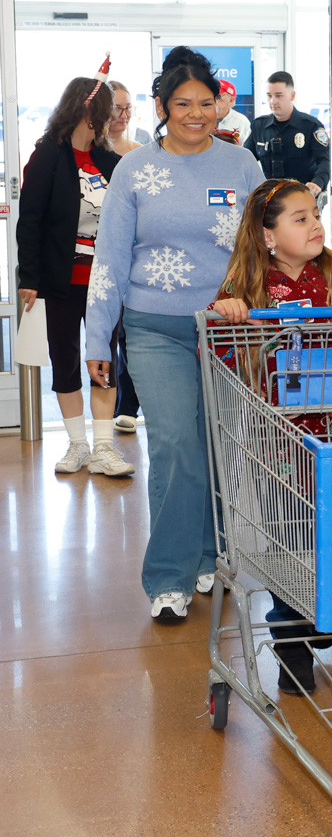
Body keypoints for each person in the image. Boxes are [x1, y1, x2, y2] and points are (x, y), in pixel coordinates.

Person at [85, 45, 264, 621]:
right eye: (182, 103)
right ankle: (169, 576)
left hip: (227, 331)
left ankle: (208, 554)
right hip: (154, 326)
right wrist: (97, 338)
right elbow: (109, 258)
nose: (195, 114)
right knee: (174, 446)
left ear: (221, 105)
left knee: (215, 449)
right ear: (162, 107)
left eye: (205, 103)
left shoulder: (243, 166)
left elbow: (262, 248)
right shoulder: (135, 169)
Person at [213, 178, 332, 693]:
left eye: (316, 213)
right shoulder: (247, 284)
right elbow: (223, 355)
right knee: (289, 535)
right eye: (300, 217)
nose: (315, 223)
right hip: (278, 437)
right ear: (267, 235)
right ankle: (290, 639)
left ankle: (319, 611)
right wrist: (229, 318)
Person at [17, 62, 134, 477]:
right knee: (64, 358)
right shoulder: (49, 153)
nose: (115, 118)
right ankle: (78, 445)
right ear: (90, 112)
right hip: (59, 280)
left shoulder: (109, 159)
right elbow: (29, 219)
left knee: (102, 357)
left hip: (104, 282)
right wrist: (27, 278)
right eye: (109, 110)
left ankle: (105, 447)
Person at [106, 80, 143, 433]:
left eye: (129, 107)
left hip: (137, 263)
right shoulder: (89, 156)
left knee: (130, 337)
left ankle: (128, 406)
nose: (124, 114)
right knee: (106, 337)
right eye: (117, 107)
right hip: (101, 260)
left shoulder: (139, 154)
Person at [244, 71, 330, 205]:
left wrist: (317, 183)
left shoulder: (311, 126)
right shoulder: (259, 126)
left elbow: (324, 161)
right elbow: (245, 159)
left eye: (278, 95)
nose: (273, 101)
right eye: (269, 96)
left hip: (302, 198)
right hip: (270, 201)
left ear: (292, 95)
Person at [108, 81, 143, 157]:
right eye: (117, 109)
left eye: (128, 108)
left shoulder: (140, 152)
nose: (124, 116)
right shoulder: (91, 149)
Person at [215, 78, 251, 144]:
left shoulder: (241, 122)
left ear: (231, 100)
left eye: (218, 97)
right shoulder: (201, 118)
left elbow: (246, 149)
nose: (213, 100)